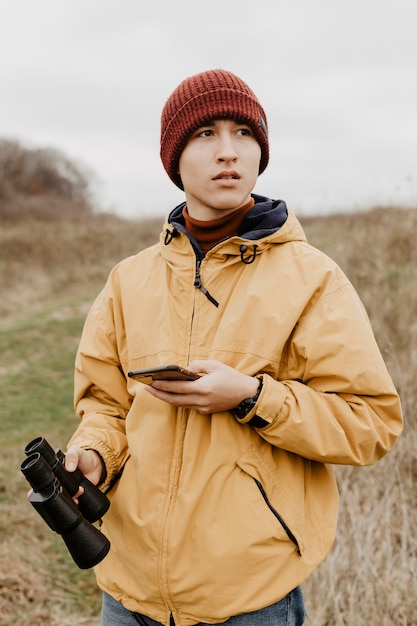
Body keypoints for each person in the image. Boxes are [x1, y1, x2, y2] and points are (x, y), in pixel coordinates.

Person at [65, 69, 403, 626]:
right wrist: (95, 456)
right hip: (127, 588)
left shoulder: (312, 278)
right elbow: (106, 405)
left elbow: (370, 423)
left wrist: (251, 397)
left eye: (244, 133)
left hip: (249, 597)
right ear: (174, 157)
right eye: (205, 134)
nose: (228, 151)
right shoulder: (128, 280)